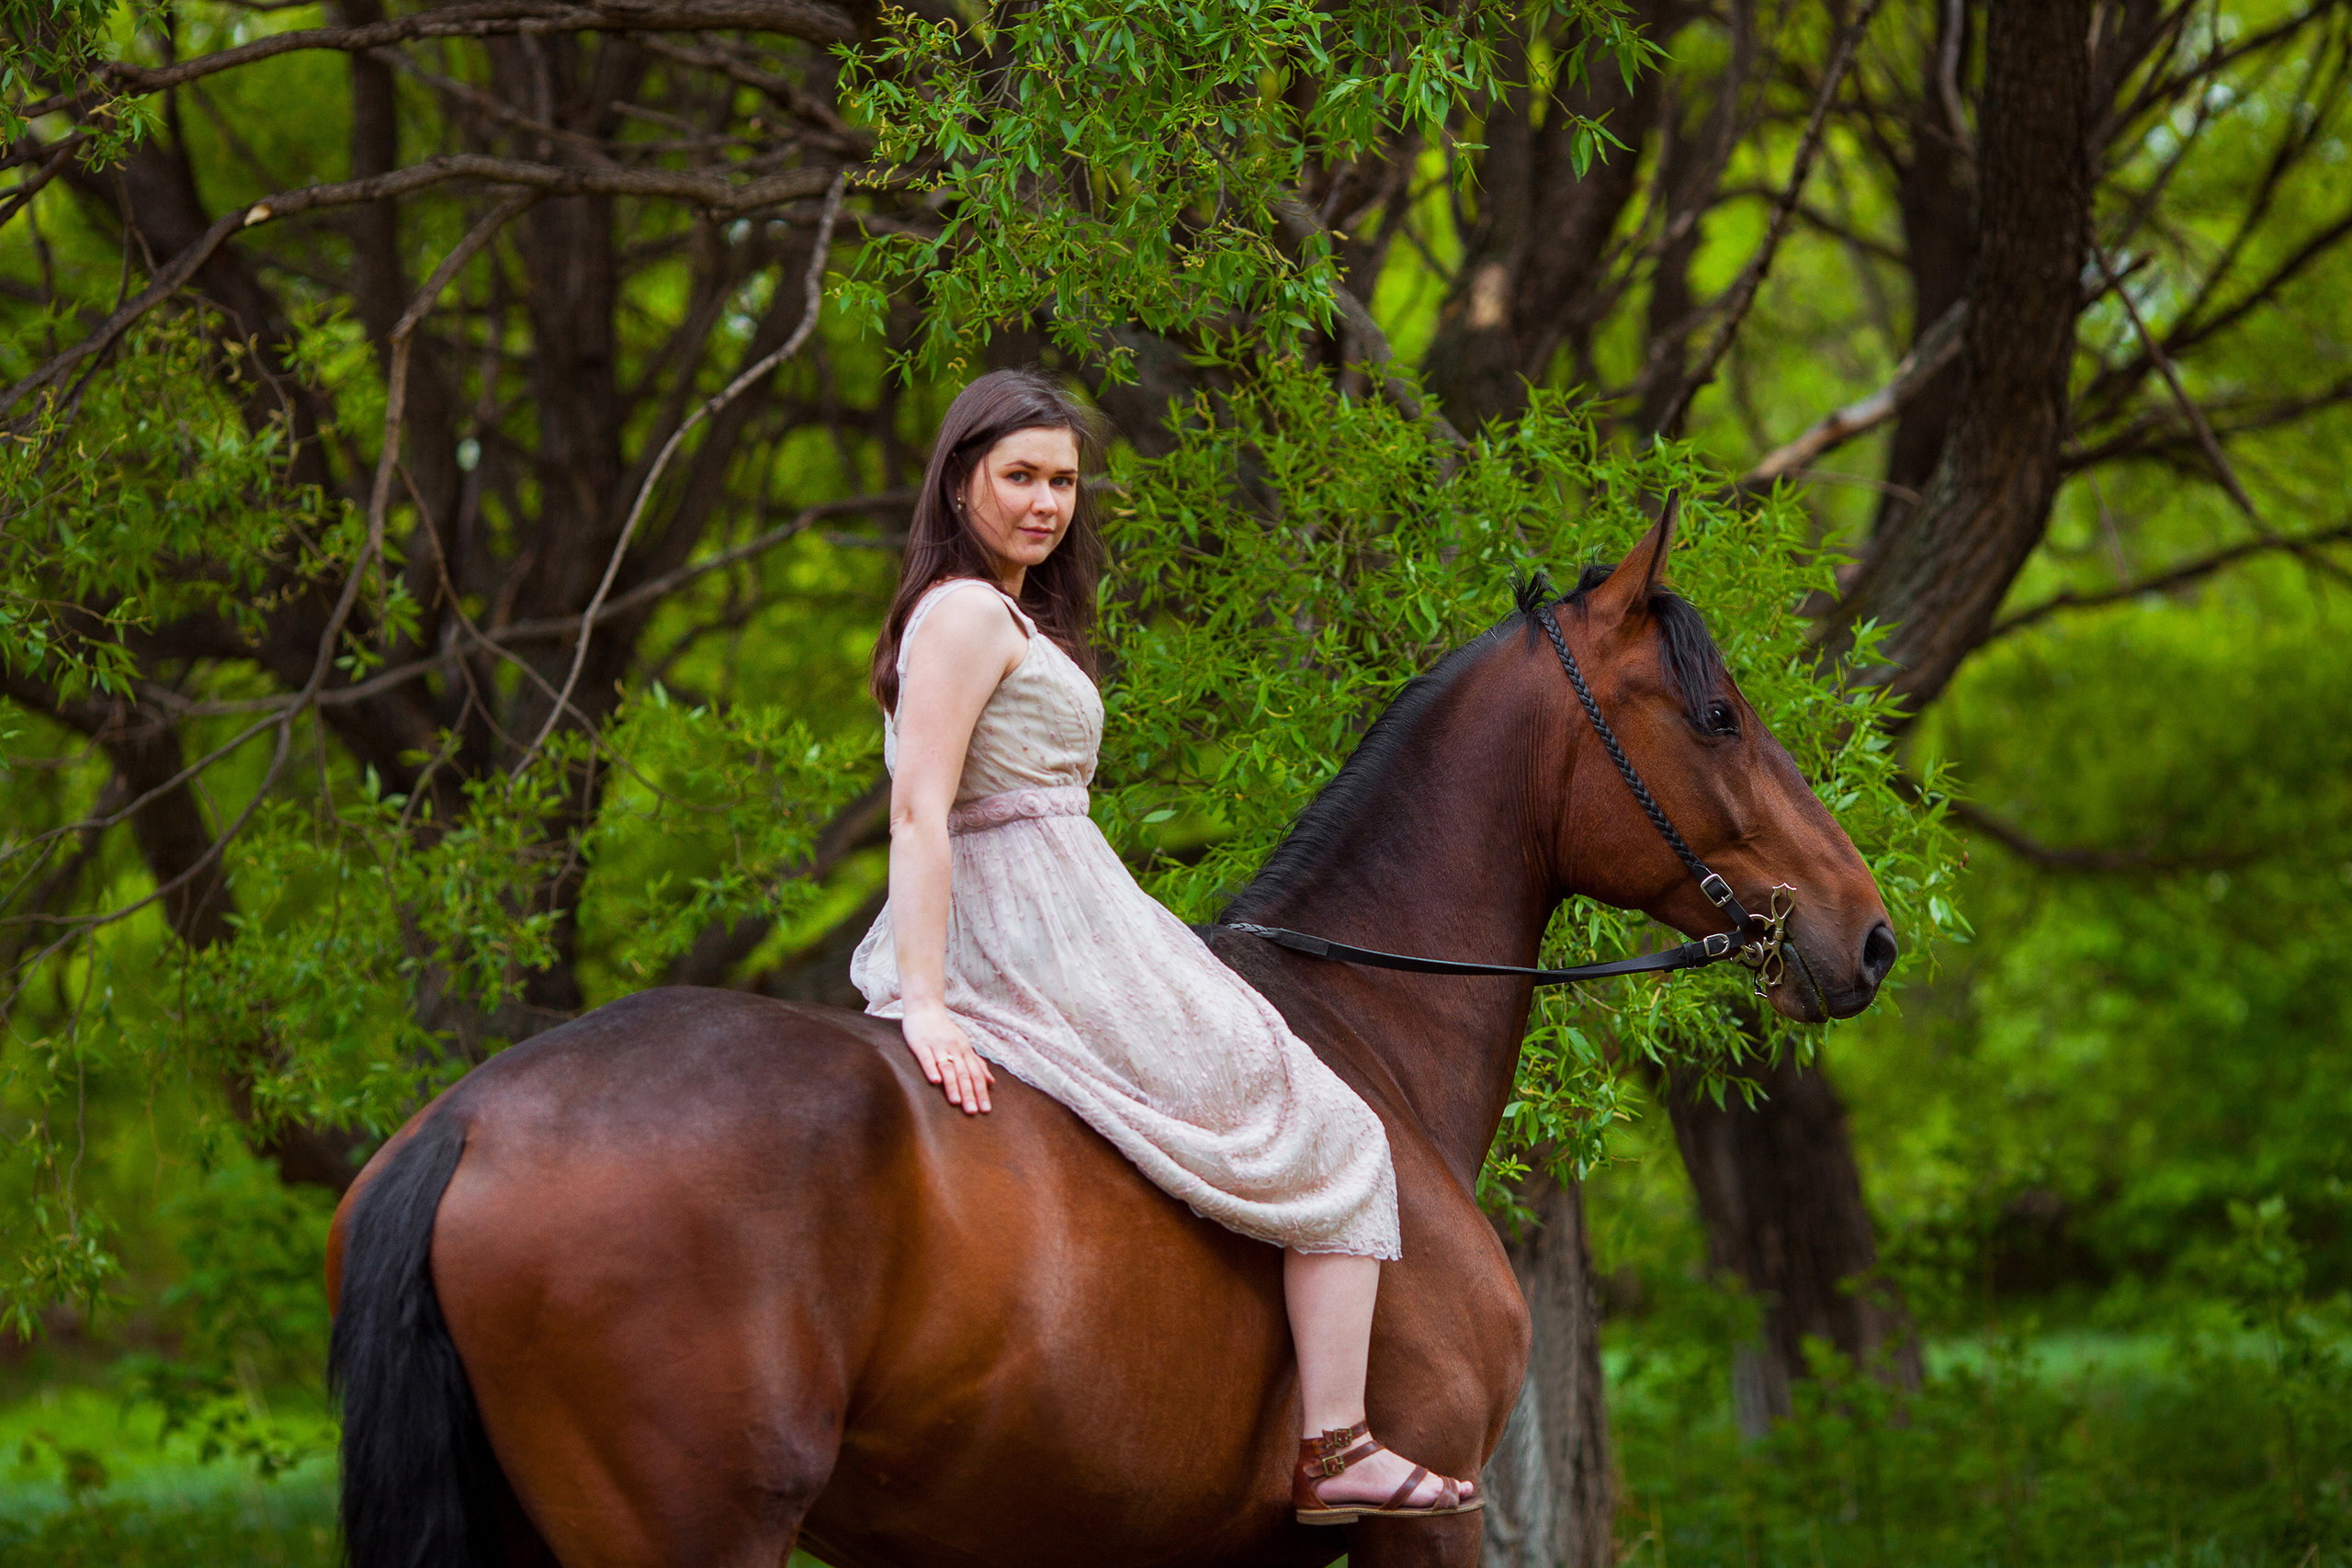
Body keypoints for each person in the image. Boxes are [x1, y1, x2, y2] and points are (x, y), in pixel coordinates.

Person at [849, 368, 1480, 1524]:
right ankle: (1335, 1448)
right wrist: (928, 1001)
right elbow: (916, 809)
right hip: (1030, 917)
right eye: (1019, 477)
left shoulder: (1001, 608)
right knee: (1335, 1130)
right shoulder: (964, 613)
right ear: (958, 479)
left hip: (1071, 895)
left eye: (1063, 481)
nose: (1046, 503)